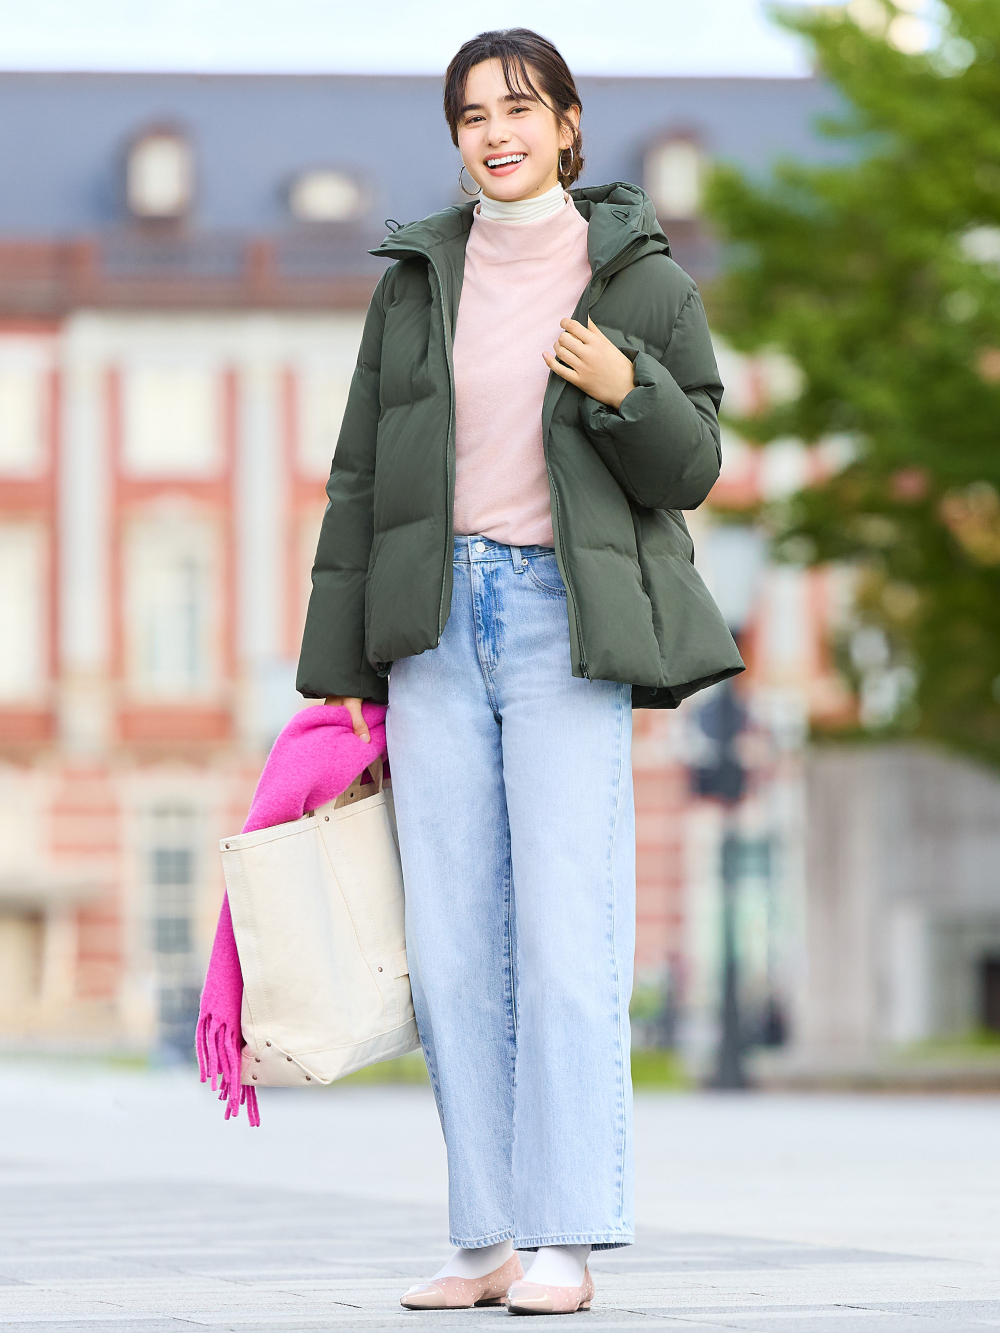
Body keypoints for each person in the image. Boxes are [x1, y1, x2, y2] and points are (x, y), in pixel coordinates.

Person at [296, 27, 742, 1316]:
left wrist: (625, 383)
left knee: (563, 935)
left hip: (559, 622)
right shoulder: (416, 279)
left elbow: (694, 467)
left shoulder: (638, 277)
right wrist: (343, 672)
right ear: (455, 140)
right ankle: (485, 1236)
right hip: (432, 631)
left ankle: (570, 1240)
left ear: (568, 126)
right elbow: (363, 480)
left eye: (521, 107)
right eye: (473, 114)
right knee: (451, 944)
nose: (497, 131)